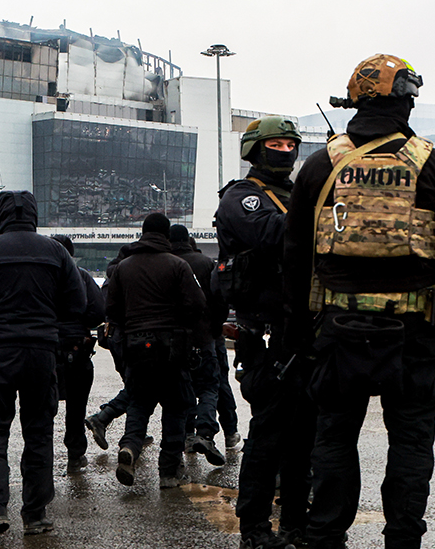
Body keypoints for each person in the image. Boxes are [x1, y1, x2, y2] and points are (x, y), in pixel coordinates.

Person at [283, 54, 435, 549]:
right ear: (405, 101)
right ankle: (402, 539)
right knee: (411, 442)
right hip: (412, 334)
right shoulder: (432, 165)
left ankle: (326, 535)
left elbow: (292, 259)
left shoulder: (320, 165)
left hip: (337, 329)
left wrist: (295, 336)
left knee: (333, 438)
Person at [0, 190, 86, 546]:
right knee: (39, 432)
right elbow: (78, 303)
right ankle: (36, 515)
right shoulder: (55, 251)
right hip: (41, 353)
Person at [215, 115, 318, 549]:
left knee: (305, 439)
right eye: (275, 144)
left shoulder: (297, 197)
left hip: (306, 331)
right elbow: (273, 235)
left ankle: (296, 524)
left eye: (290, 144)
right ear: (255, 150)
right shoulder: (243, 198)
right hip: (267, 336)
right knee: (268, 436)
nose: (285, 151)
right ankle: (254, 528)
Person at [106, 213, 207, 490]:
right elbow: (197, 304)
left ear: (142, 232)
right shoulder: (178, 265)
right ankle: (169, 472)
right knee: (176, 405)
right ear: (165, 236)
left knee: (139, 401)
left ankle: (129, 447)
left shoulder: (124, 267)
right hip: (172, 346)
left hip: (136, 345)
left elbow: (111, 308)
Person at [168, 224, 228, 467]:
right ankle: (205, 434)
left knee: (178, 392)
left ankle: (183, 438)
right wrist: (216, 328)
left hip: (173, 340)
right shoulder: (205, 264)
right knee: (209, 387)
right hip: (204, 338)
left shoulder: (166, 262)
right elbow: (219, 299)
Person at [50, 235, 106, 474]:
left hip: (46, 347)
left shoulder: (41, 277)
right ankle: (75, 455)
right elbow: (97, 313)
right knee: (76, 406)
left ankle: (40, 458)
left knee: (41, 407)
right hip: (75, 348)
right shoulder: (81, 276)